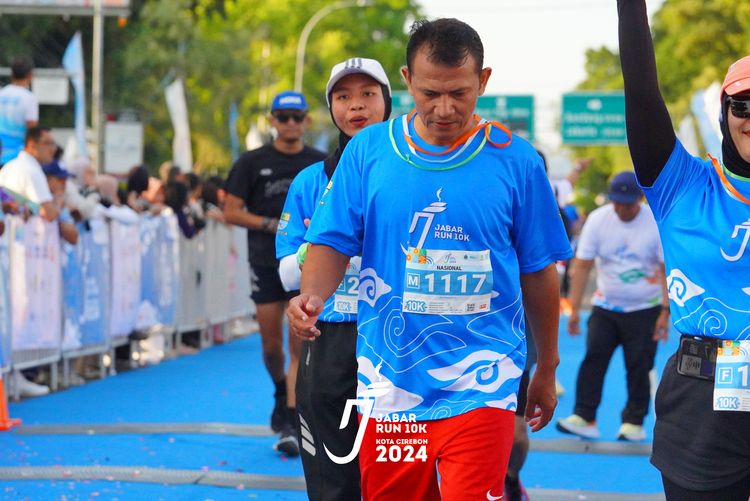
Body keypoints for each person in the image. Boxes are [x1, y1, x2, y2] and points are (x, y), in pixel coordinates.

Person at [288, 18, 571, 499]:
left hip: (484, 380)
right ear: (407, 80)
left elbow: (539, 270)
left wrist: (547, 366)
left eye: (459, 93)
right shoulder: (368, 152)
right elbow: (331, 240)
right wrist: (310, 297)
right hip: (389, 384)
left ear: (483, 81)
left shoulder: (518, 162)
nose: (444, 109)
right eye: (429, 93)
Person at [619, 1, 750, 498]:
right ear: (724, 113)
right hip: (701, 408)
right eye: (743, 105)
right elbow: (641, 91)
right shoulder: (682, 184)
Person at [276, 57, 391, 501]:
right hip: (330, 334)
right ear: (331, 108)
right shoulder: (310, 181)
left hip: (395, 338)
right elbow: (287, 270)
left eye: (368, 94)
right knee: (331, 474)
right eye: (343, 97)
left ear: (388, 100)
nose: (356, 106)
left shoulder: (414, 171)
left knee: (397, 472)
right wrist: (322, 248)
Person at [224, 91, 326, 456]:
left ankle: (291, 420)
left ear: (307, 121)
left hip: (304, 263)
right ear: (272, 121)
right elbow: (230, 210)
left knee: (299, 343)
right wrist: (269, 224)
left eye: (297, 117)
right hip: (265, 262)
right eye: (283, 117)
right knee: (271, 346)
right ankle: (281, 390)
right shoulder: (252, 162)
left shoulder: (319, 162)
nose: (290, 123)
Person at [556, 171, 669, 441]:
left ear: (639, 199)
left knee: (639, 365)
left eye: (627, 204)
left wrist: (665, 311)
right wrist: (573, 308)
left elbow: (666, 269)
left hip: (645, 309)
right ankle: (585, 416)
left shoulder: (655, 222)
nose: (621, 208)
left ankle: (633, 422)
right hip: (605, 307)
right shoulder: (598, 220)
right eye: (616, 202)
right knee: (593, 359)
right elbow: (583, 265)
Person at [0, 57, 38, 166]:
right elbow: (32, 128)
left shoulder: (1, 93)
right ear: (30, 75)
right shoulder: (29, 98)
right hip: (16, 156)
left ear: (12, 74)